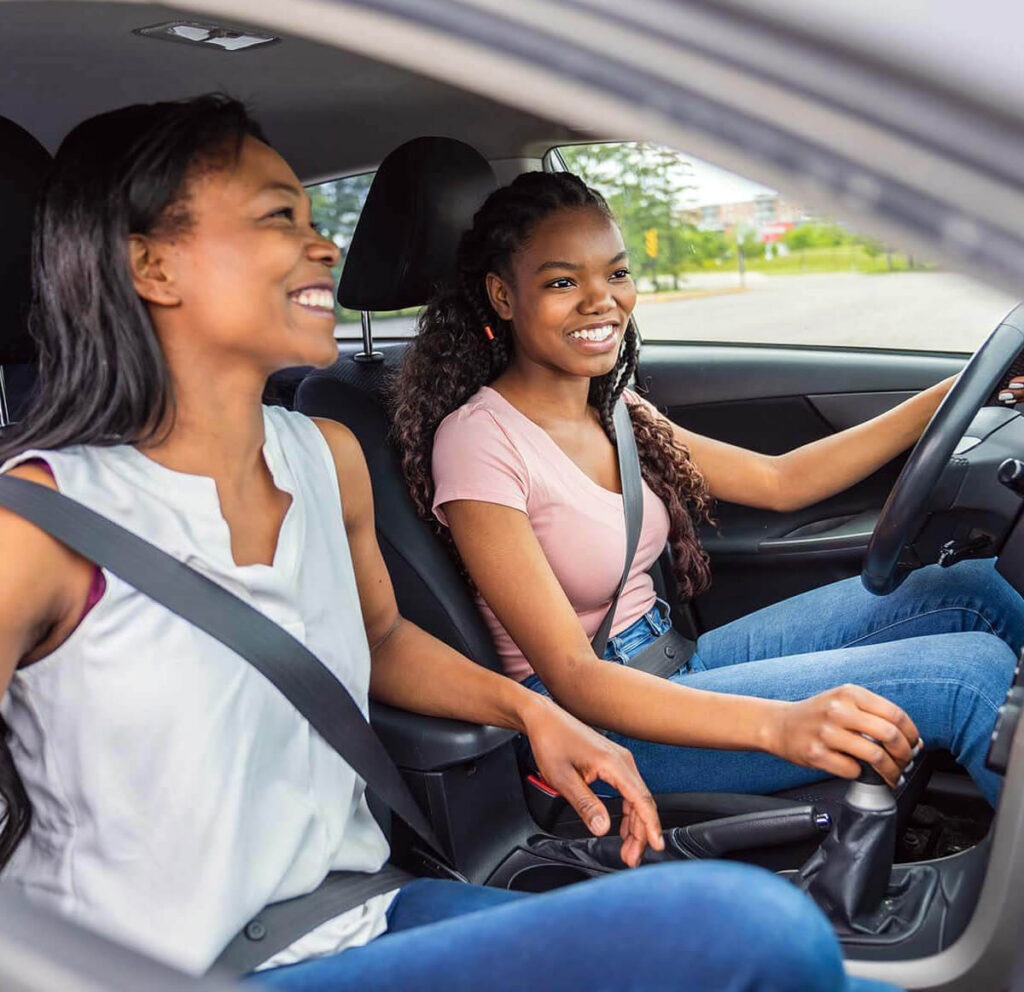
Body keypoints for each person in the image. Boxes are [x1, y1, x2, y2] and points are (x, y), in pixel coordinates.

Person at [0, 96, 898, 992]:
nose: (324, 248)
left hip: (357, 913)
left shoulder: (326, 457)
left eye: (317, 222)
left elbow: (382, 641)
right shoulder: (36, 525)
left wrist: (534, 712)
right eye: (280, 217)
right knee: (740, 928)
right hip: (145, 968)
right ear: (151, 266)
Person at [393, 170, 1024, 808]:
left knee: (967, 590)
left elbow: (782, 481)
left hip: (673, 662)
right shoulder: (478, 442)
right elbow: (576, 679)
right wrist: (779, 725)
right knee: (967, 676)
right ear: (502, 296)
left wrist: (964, 391)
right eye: (562, 281)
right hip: (596, 726)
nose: (600, 300)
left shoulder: (617, 408)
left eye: (615, 274)